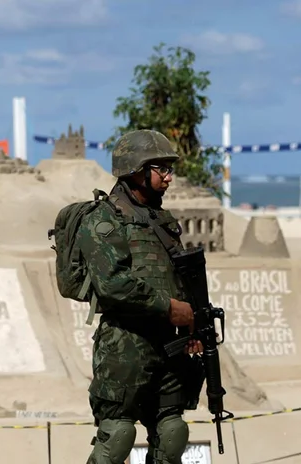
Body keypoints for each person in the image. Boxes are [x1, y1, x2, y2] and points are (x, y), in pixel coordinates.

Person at [77, 129, 204, 463]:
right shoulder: (103, 219)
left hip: (169, 343)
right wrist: (169, 308)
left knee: (173, 433)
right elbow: (113, 284)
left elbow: (178, 279)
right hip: (125, 345)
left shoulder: (162, 220)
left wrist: (193, 323)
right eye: (160, 168)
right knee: (117, 436)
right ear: (136, 171)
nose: (169, 177)